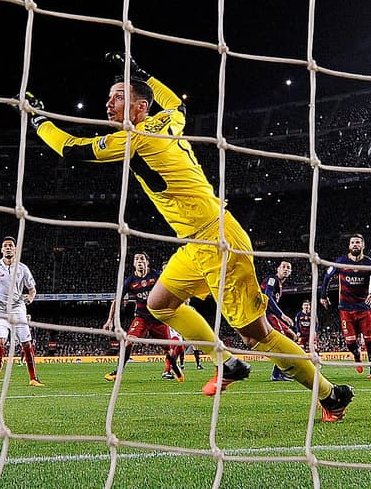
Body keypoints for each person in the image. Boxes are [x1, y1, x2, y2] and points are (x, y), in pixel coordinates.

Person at [26, 52, 352, 421]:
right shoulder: (168, 121)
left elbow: (72, 149)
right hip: (196, 242)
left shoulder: (140, 139)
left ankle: (330, 394)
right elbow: (174, 103)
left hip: (219, 241)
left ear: (139, 106)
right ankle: (226, 363)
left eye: (118, 96)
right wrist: (142, 71)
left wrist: (38, 120)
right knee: (159, 302)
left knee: (255, 335)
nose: (108, 102)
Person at [102, 251, 183, 381]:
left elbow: (170, 290)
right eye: (137, 259)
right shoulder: (130, 281)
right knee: (128, 342)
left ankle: (174, 366)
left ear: (147, 262)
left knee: (169, 352)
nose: (139, 261)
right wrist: (109, 320)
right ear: (134, 264)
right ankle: (118, 372)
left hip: (158, 318)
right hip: (142, 318)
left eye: (142, 259)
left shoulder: (156, 276)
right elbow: (116, 300)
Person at [0, 236, 43, 387]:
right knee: (0, 343)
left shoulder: (23, 268)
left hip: (17, 308)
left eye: (11, 246)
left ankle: (33, 378)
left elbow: (32, 289)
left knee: (27, 344)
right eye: (5, 246)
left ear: (15, 249)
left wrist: (31, 298)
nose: (8, 248)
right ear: (2, 250)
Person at [319, 235, 371, 380]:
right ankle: (357, 355)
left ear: (363, 245)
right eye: (353, 242)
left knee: (370, 341)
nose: (355, 245)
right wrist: (323, 296)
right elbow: (327, 278)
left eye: (358, 242)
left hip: (364, 308)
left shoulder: (369, 262)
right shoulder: (341, 262)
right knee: (351, 343)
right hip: (346, 309)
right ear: (349, 246)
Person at [260, 259, 297, 381]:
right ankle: (278, 373)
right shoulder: (273, 280)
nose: (286, 269)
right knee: (283, 340)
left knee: (292, 336)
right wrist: (282, 315)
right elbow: (267, 297)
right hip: (265, 314)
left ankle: (278, 372)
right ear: (278, 269)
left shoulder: (280, 284)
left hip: (272, 315)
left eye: (288, 268)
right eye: (284, 267)